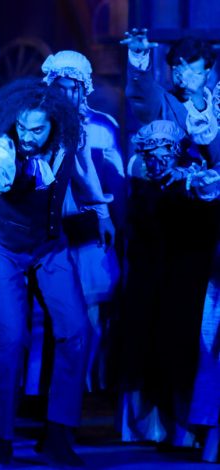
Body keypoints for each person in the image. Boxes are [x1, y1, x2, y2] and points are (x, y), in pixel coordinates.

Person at [0, 78, 112, 467]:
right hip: (5, 248)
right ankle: (1, 438)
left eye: (37, 129)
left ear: (54, 124)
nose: (28, 136)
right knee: (12, 339)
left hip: (50, 246)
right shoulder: (2, 145)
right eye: (22, 127)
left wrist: (101, 212)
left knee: (77, 331)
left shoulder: (68, 139)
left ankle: (58, 434)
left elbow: (82, 176)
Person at [120, 120, 218, 449]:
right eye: (150, 154)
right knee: (144, 350)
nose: (155, 161)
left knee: (180, 351)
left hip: (185, 281)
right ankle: (150, 428)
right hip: (149, 280)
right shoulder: (142, 186)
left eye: (162, 153)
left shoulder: (194, 184)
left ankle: (183, 430)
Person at [41, 50, 122, 391]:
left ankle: (90, 387)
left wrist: (109, 218)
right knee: (51, 314)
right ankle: (51, 391)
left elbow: (116, 179)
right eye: (60, 87)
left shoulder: (102, 126)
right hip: (49, 231)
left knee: (94, 311)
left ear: (84, 87)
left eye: (73, 87)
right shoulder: (39, 124)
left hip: (90, 230)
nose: (67, 94)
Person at [122, 29, 220, 168]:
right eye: (179, 73)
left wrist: (197, 96)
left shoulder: (216, 106)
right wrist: (138, 57)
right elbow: (142, 93)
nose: (185, 81)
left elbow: (215, 156)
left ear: (207, 74)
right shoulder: (161, 100)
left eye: (193, 74)